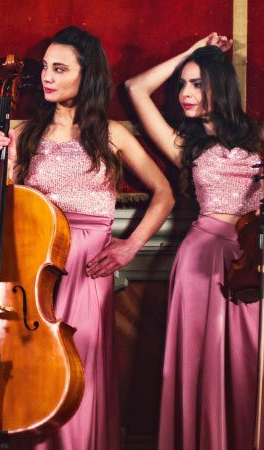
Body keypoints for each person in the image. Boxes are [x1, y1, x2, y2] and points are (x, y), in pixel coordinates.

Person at [0, 26, 174, 450]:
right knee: (35, 370)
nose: (46, 77)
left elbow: (164, 192)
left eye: (59, 68)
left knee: (80, 370)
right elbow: (11, 208)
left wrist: (130, 246)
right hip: (36, 270)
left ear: (86, 75)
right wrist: (4, 164)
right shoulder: (25, 134)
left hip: (90, 271)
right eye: (45, 68)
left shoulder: (111, 134)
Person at [125, 33, 263, 450]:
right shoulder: (185, 145)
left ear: (221, 85)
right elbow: (135, 88)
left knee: (247, 365)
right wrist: (190, 52)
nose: (185, 93)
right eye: (183, 84)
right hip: (200, 260)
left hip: (251, 259)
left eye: (197, 84)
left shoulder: (259, 138)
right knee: (200, 365)